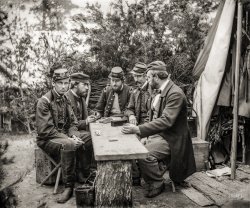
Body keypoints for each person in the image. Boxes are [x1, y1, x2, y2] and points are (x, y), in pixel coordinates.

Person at [122, 61, 196, 198]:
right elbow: (152, 117)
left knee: (144, 154)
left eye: (149, 77)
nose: (147, 80)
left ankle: (157, 182)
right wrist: (145, 135)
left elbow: (166, 121)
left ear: (156, 77)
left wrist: (138, 129)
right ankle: (143, 176)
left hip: (172, 138)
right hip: (160, 134)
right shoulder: (160, 91)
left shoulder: (175, 94)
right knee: (133, 147)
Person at [36, 64, 87, 203]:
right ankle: (68, 187)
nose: (64, 86)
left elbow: (73, 123)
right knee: (69, 144)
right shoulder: (44, 102)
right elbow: (46, 131)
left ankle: (84, 175)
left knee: (88, 137)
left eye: (66, 83)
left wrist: (73, 134)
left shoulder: (66, 99)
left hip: (62, 136)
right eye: (60, 83)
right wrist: (69, 139)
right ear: (53, 83)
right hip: (47, 139)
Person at [65, 72, 96, 183]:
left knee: (93, 134)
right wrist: (86, 121)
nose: (87, 88)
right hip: (67, 133)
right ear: (75, 84)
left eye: (88, 85)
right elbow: (68, 124)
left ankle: (87, 171)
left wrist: (94, 114)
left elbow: (86, 113)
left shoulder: (80, 97)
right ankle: (82, 173)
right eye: (85, 85)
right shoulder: (67, 98)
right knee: (90, 137)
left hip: (78, 130)